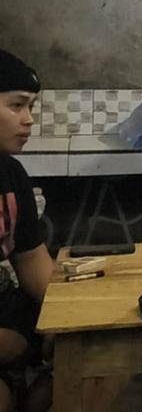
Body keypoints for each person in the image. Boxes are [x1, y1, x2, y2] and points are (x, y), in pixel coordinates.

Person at [0, 51, 55, 412]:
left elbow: (33, 262)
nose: (28, 119)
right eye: (17, 105)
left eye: (31, 107)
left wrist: (64, 321)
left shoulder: (11, 175)